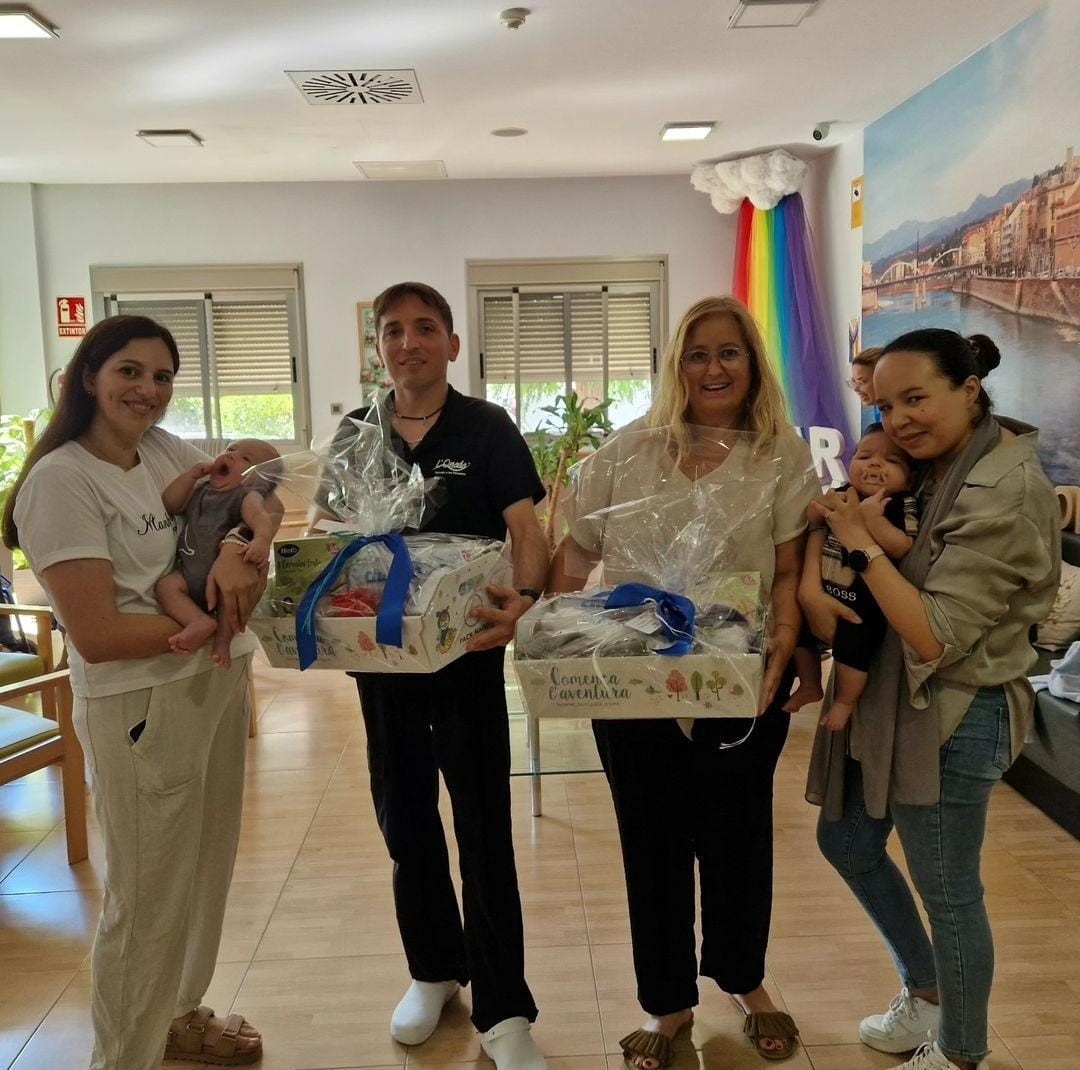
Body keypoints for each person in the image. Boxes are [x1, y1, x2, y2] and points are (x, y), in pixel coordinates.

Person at [547, 296, 820, 1068]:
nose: (713, 368)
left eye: (729, 352)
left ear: (752, 365)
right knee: (650, 839)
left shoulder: (781, 453)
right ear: (676, 367)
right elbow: (575, 557)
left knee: (739, 836)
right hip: (633, 679)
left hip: (743, 674)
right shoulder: (625, 452)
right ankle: (667, 1002)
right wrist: (551, 629)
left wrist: (788, 642)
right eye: (697, 354)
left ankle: (744, 978)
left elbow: (789, 570)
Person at [1, 315, 273, 1070]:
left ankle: (177, 1014)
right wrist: (209, 618)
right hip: (143, 706)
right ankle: (123, 1056)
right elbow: (97, 632)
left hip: (211, 683)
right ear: (87, 378)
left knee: (204, 872)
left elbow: (254, 489)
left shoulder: (162, 452)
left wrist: (242, 546)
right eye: (130, 371)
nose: (147, 390)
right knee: (147, 897)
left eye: (161, 377)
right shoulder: (61, 482)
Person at [307, 282, 551, 1069]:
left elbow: (527, 529)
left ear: (451, 342)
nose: (407, 342)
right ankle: (434, 969)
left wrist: (526, 600)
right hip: (382, 663)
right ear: (378, 347)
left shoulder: (486, 427)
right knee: (404, 818)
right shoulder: (357, 433)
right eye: (392, 331)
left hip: (468, 655)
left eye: (424, 328)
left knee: (483, 825)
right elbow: (324, 532)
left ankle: (504, 1007)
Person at [805, 330, 1060, 1070]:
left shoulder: (1004, 491)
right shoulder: (939, 464)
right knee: (847, 842)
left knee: (948, 891)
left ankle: (960, 1051)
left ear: (969, 389)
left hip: (956, 708)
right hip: (894, 702)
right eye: (887, 405)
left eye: (916, 398)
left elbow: (934, 636)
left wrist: (859, 543)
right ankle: (927, 992)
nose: (900, 420)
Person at [790, 424, 918, 727]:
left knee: (852, 652)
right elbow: (814, 520)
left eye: (891, 460)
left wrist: (874, 521)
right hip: (825, 587)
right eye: (864, 456)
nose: (874, 464)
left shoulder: (899, 504)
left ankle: (845, 701)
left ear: (910, 477)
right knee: (798, 631)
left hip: (863, 605)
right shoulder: (844, 493)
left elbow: (903, 547)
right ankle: (810, 684)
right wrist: (818, 509)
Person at [156, 437, 281, 667]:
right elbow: (170, 504)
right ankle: (199, 621)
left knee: (229, 606)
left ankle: (222, 642)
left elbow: (260, 518)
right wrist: (190, 476)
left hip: (222, 579)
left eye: (245, 459)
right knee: (166, 587)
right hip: (188, 573)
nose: (232, 455)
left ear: (257, 479)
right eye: (231, 449)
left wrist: (261, 541)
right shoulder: (200, 489)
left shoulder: (246, 495)